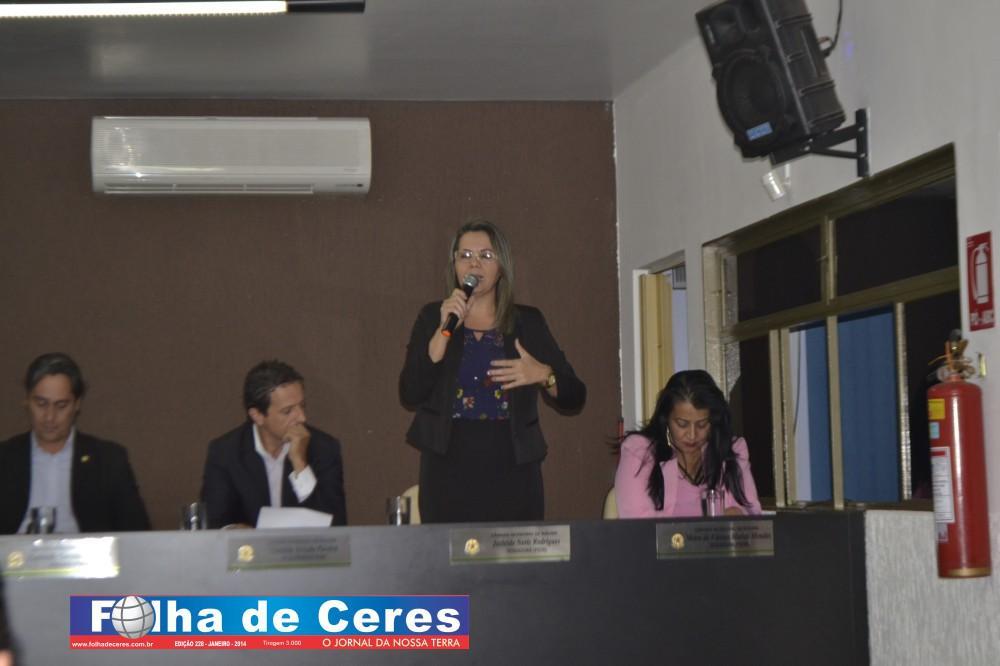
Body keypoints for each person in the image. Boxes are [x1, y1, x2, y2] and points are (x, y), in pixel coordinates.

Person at [400, 219, 586, 523]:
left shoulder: (527, 322)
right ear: (454, 265)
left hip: (513, 471)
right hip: (446, 471)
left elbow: (575, 396)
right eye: (465, 255)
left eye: (486, 256)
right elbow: (410, 392)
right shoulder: (433, 317)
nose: (474, 264)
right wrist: (442, 333)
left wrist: (543, 375)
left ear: (502, 267)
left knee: (512, 554)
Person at [0, 353, 151, 534]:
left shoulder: (108, 460)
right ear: (27, 401)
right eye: (41, 404)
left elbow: (137, 531)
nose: (49, 417)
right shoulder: (5, 458)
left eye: (61, 405)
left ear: (77, 404)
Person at [201, 360, 347, 528]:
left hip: (306, 546)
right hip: (248, 546)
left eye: (302, 406)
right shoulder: (225, 453)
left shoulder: (323, 448)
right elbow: (215, 523)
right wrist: (235, 531)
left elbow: (335, 526)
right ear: (257, 416)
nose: (302, 417)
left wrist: (300, 465)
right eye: (287, 411)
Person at [615, 370, 762, 517]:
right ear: (666, 419)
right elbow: (638, 522)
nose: (692, 435)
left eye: (702, 424)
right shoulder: (639, 451)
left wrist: (738, 513)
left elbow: (754, 514)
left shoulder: (732, 450)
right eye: (682, 424)